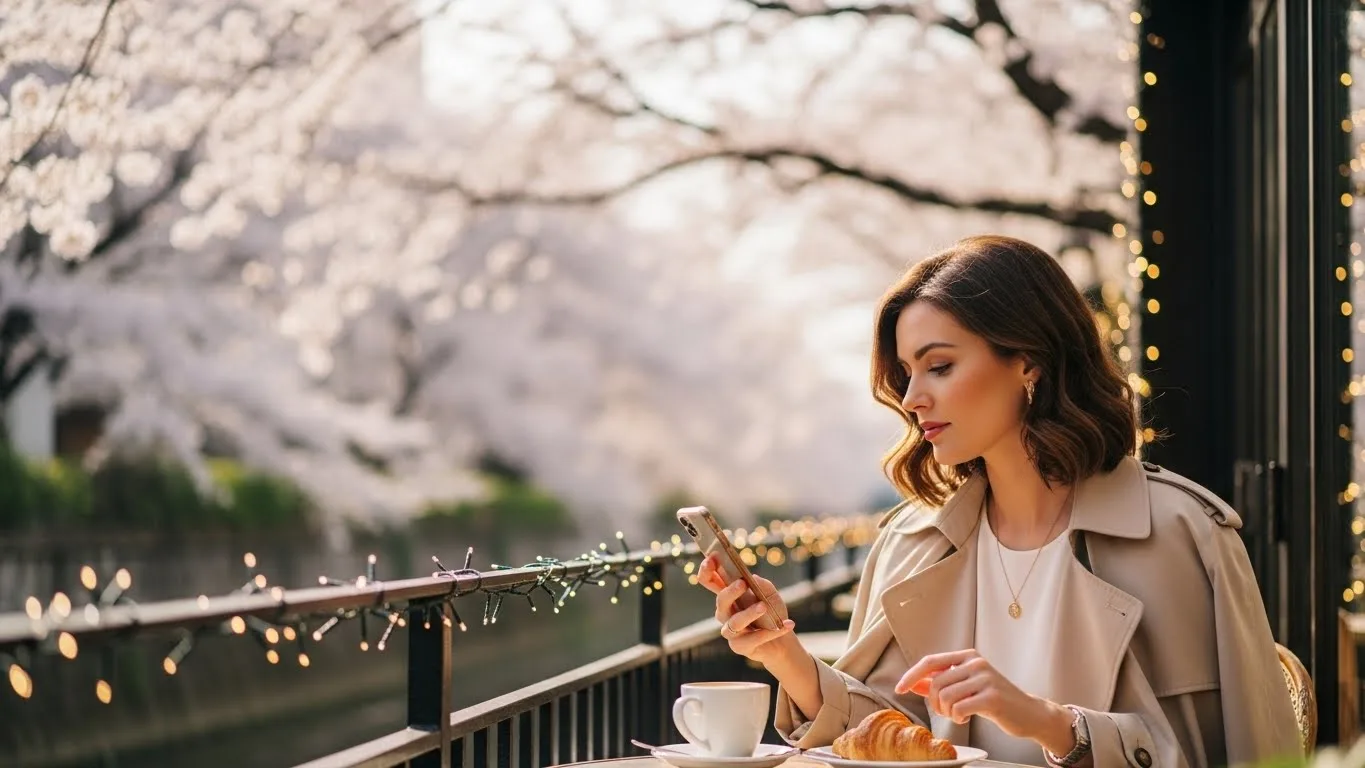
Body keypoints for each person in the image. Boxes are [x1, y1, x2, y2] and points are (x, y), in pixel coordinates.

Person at [696, 235, 1302, 768]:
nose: (912, 398)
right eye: (906, 373)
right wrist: (785, 655)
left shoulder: (1178, 534)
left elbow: (1252, 757)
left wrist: (1050, 723)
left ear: (1029, 363)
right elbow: (889, 738)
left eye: (939, 366)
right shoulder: (911, 542)